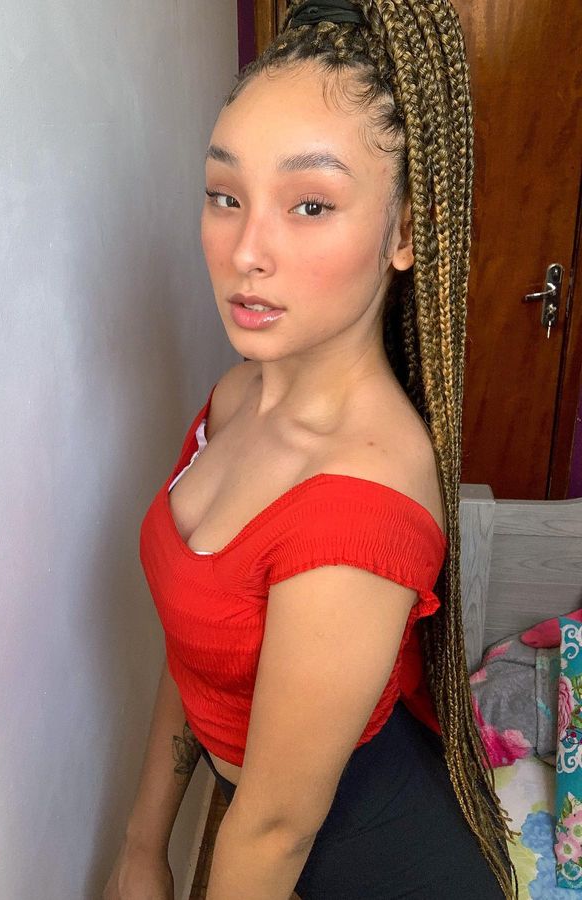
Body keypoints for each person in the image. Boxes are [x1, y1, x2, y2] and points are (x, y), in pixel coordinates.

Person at [104, 1, 519, 897]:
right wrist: (142, 847)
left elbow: (272, 832)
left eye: (311, 204)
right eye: (226, 195)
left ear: (405, 232)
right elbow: (196, 643)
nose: (245, 251)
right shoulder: (238, 396)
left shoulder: (359, 509)